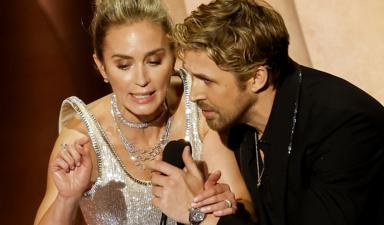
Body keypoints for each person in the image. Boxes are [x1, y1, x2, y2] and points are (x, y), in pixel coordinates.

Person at [146, 0, 384, 225]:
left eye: (207, 81)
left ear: (257, 78)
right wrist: (226, 207)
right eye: (192, 78)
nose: (195, 94)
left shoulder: (345, 127)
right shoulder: (239, 125)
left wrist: (201, 215)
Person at [33, 0, 253, 224]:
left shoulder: (197, 110)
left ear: (173, 55)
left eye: (154, 61)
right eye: (124, 66)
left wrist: (222, 204)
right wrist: (67, 199)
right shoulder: (82, 138)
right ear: (101, 67)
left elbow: (245, 209)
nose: (141, 80)